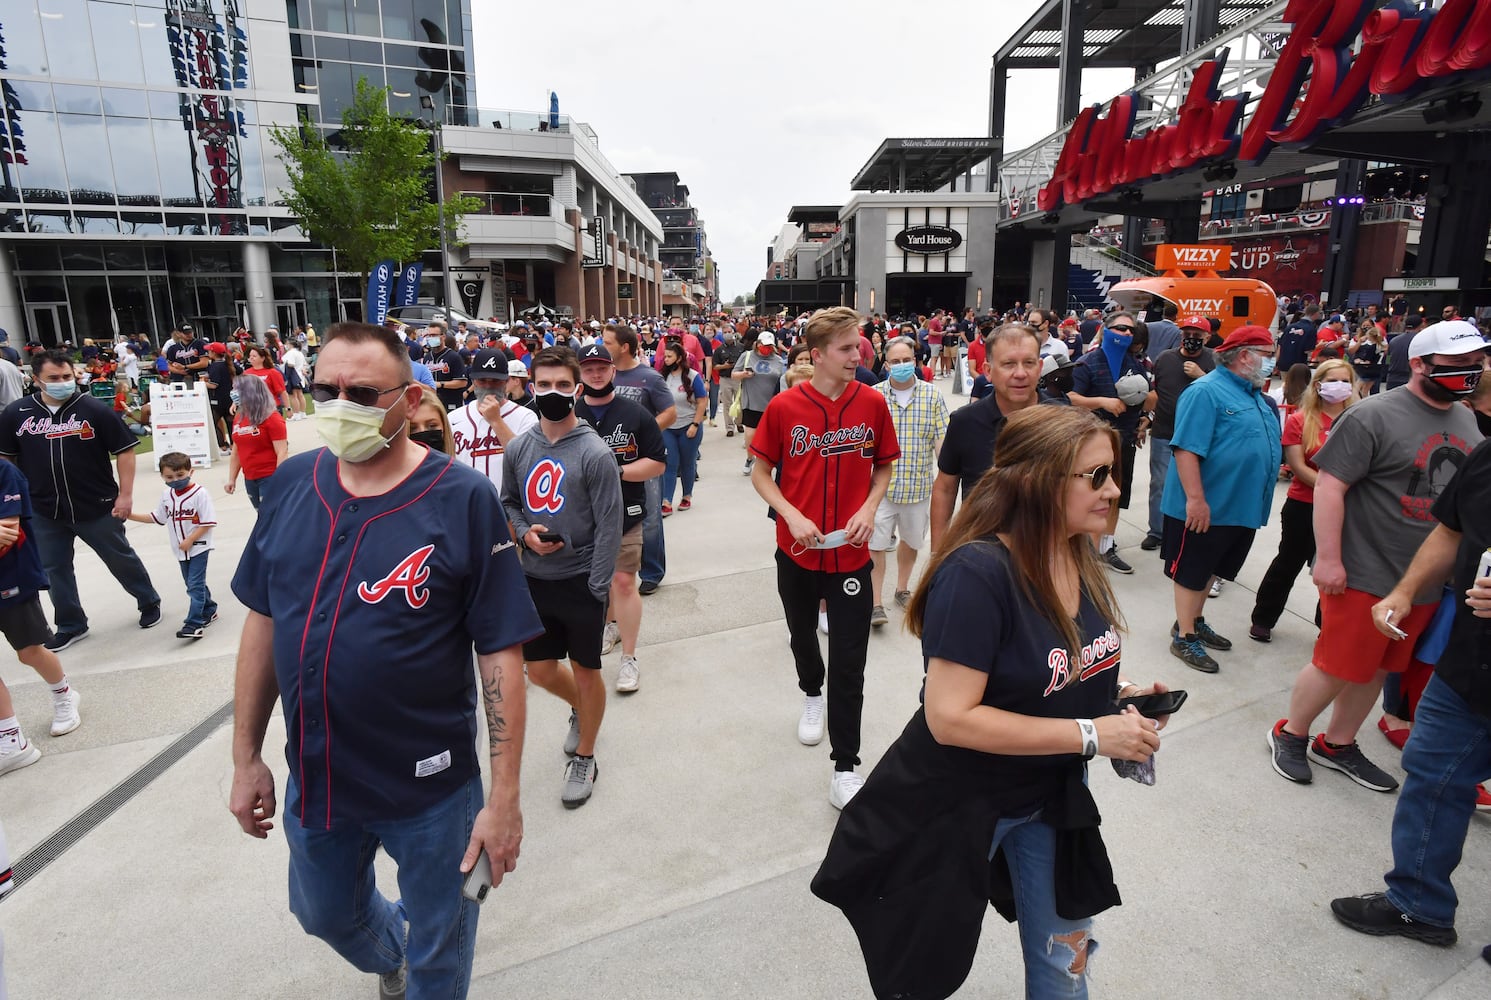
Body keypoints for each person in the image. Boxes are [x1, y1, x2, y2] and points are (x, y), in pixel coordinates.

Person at [228, 321, 541, 1000]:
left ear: (408, 397)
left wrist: (506, 796)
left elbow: (499, 650)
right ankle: (389, 951)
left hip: (430, 790)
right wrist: (245, 754)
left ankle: (417, 966)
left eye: (363, 392)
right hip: (318, 778)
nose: (342, 405)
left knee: (441, 948)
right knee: (324, 914)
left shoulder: (461, 500)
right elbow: (262, 619)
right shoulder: (290, 486)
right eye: (325, 390)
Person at [811, 405, 1168, 1000]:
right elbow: (949, 718)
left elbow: (1049, 672)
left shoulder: (1078, 553)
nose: (1114, 490)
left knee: (1067, 959)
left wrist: (1119, 697)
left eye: (1113, 472)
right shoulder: (978, 574)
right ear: (1039, 482)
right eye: (1096, 476)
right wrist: (1091, 735)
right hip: (960, 806)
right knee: (924, 969)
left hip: (1050, 799)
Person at [1270, 320, 1486, 791]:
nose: (1470, 371)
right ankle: (1291, 732)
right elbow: (1329, 486)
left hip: (1424, 579)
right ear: (1419, 364)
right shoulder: (1373, 415)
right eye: (1457, 363)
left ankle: (1338, 743)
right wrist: (1328, 558)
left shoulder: (1466, 419)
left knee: (1381, 666)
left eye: (1475, 362)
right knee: (1337, 664)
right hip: (1364, 571)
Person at [1329, 436, 1491, 951]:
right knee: (1430, 777)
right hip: (1468, 664)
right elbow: (1450, 530)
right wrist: (1402, 592)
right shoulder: (1488, 456)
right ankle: (1418, 905)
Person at [749, 307, 899, 809]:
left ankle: (846, 764)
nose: (858, 355)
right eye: (846, 349)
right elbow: (761, 473)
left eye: (858, 347)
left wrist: (870, 507)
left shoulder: (872, 403)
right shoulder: (786, 407)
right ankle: (812, 692)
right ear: (817, 355)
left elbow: (883, 467)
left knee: (852, 660)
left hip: (852, 554)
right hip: (797, 551)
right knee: (801, 636)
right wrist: (790, 514)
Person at [500, 346, 623, 807]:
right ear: (531, 386)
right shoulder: (519, 446)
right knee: (540, 671)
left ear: (577, 388)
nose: (553, 393)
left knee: (588, 672)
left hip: (581, 581)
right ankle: (581, 710)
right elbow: (509, 501)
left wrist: (596, 587)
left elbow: (610, 524)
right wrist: (522, 534)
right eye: (544, 384)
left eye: (562, 385)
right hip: (533, 578)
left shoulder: (594, 452)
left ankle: (587, 755)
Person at [0, 350, 161, 651]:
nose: (62, 383)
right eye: (53, 378)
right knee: (54, 568)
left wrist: (125, 495)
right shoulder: (16, 414)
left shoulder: (93, 409)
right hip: (44, 508)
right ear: (36, 380)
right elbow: (5, 458)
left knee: (119, 558)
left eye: (66, 377)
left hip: (95, 504)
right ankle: (71, 623)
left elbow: (125, 450)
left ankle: (148, 599)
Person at [1161, 325, 1281, 673]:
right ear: (1245, 356)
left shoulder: (1253, 393)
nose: (1273, 362)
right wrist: (1196, 500)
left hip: (1239, 506)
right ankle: (1184, 636)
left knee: (1214, 570)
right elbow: (1185, 449)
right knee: (1192, 570)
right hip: (1207, 505)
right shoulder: (1206, 391)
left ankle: (1194, 621)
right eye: (1268, 355)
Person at [574, 343, 667, 695]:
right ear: (579, 374)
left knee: (624, 582)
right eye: (588, 369)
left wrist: (616, 470)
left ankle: (629, 658)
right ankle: (608, 626)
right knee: (591, 589)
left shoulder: (635, 413)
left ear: (614, 370)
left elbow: (657, 463)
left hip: (625, 511)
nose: (596, 374)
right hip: (580, 517)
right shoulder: (569, 414)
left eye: (601, 368)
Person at [1249, 361, 1357, 642]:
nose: (1340, 386)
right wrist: (1331, 491)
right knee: (1289, 562)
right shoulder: (1301, 420)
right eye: (1333, 379)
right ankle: (1263, 618)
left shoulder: (1360, 418)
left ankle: (1328, 625)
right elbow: (1297, 465)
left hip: (1349, 508)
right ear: (1319, 384)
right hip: (1305, 506)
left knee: (1337, 570)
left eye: (1345, 380)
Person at [930, 323, 1049, 549]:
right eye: (1009, 364)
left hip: (1046, 550)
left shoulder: (1062, 420)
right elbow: (945, 488)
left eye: (1029, 363)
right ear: (987, 371)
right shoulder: (964, 422)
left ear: (1040, 366)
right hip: (980, 552)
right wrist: (938, 555)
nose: (1021, 373)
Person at [0, 459, 81, 776]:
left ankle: (64, 695)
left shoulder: (5, 473)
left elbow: (6, 533)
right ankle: (12, 739)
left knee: (29, 652)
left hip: (11, 579)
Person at [869, 336, 949, 626]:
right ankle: (875, 601)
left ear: (915, 362)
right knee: (875, 546)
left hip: (918, 488)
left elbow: (942, 441)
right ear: (886, 364)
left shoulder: (932, 396)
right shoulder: (873, 396)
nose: (902, 365)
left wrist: (948, 472)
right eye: (896, 361)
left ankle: (902, 588)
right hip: (880, 490)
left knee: (911, 542)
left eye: (907, 360)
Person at [1069, 312, 1153, 574]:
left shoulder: (1136, 365)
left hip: (1123, 440)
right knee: (1084, 493)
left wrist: (1146, 416)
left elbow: (1146, 399)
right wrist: (1101, 402)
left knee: (1115, 496)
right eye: (1121, 329)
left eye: (1131, 330)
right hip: (1090, 444)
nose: (1128, 334)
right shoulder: (1086, 363)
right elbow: (1070, 397)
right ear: (1106, 331)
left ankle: (1105, 547)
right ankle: (1078, 545)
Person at [602, 324, 675, 595]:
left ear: (624, 346)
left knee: (651, 516)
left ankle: (652, 571)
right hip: (608, 462)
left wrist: (645, 434)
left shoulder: (649, 377)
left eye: (608, 342)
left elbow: (669, 412)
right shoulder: (602, 375)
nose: (603, 345)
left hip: (644, 460)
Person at [1143, 315, 1216, 551]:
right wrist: (1147, 418)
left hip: (1200, 435)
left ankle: (1188, 529)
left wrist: (1202, 376)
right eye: (1187, 335)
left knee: (1195, 485)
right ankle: (1157, 531)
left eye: (1197, 335)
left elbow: (1224, 393)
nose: (1191, 339)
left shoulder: (1214, 361)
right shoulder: (1164, 358)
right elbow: (1156, 394)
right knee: (1160, 484)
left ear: (1207, 337)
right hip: (1165, 431)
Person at [128, 452, 218, 640]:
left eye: (180, 475)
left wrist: (191, 539)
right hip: (180, 550)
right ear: (162, 476)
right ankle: (209, 609)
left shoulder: (200, 494)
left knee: (194, 585)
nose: (175, 480)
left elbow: (208, 522)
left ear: (190, 472)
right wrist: (130, 516)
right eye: (169, 477)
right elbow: (157, 517)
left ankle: (194, 623)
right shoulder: (166, 495)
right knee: (192, 583)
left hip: (199, 547)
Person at [448, 348, 538, 491]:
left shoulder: (526, 417)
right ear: (474, 381)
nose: (489, 386)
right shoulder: (453, 418)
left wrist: (496, 421)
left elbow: (527, 464)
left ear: (506, 381)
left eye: (495, 380)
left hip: (509, 508)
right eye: (483, 380)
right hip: (466, 505)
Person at [224, 374, 288, 512]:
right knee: (261, 516)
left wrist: (279, 479)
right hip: (250, 478)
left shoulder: (272, 418)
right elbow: (236, 451)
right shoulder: (239, 418)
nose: (233, 392)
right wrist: (232, 479)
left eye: (237, 389)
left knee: (271, 516)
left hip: (269, 476)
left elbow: (282, 451)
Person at [659, 342, 706, 515]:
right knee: (670, 464)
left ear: (679, 358)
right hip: (668, 428)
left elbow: (702, 400)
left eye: (670, 356)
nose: (666, 359)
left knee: (687, 463)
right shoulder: (662, 377)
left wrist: (695, 424)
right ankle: (666, 501)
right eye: (665, 356)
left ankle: (687, 496)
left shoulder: (692, 376)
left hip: (689, 426)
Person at [733, 330, 787, 477]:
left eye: (770, 346)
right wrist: (744, 374)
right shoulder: (747, 356)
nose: (767, 348)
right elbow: (734, 374)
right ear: (758, 344)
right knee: (750, 434)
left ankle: (770, 462)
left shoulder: (778, 360)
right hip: (752, 402)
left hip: (772, 404)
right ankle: (750, 458)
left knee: (772, 437)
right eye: (764, 345)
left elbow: (784, 379)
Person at [202, 343, 238, 451]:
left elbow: (214, 384)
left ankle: (222, 445)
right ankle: (233, 445)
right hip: (230, 398)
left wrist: (202, 383)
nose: (208, 353)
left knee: (212, 423)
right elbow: (240, 373)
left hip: (218, 400)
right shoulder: (229, 363)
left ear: (213, 353)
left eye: (209, 351)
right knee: (231, 423)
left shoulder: (215, 366)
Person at [423, 327, 469, 411]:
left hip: (451, 402)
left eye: (434, 335)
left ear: (443, 337)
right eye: (429, 335)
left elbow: (462, 382)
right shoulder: (427, 357)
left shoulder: (454, 356)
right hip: (432, 402)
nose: (431, 338)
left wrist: (440, 384)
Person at [713, 329, 745, 437]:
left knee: (740, 402)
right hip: (725, 378)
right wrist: (725, 366)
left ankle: (739, 422)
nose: (728, 334)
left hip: (738, 378)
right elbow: (715, 366)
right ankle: (729, 427)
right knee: (727, 404)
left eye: (729, 331)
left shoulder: (741, 347)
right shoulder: (719, 350)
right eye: (725, 332)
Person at [406, 384, 454, 453]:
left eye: (432, 426)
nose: (422, 431)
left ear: (444, 425)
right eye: (412, 428)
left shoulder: (457, 463)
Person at [1383, 313, 1425, 390]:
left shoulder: (1393, 341)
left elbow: (1388, 359)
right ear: (1421, 325)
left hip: (1392, 379)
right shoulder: (1421, 341)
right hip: (1411, 379)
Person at [243, 345, 289, 413]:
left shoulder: (272, 372)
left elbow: (282, 392)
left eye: (254, 356)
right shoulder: (246, 373)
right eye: (250, 356)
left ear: (262, 358)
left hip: (272, 408)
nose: (251, 358)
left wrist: (288, 408)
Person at [1279, 303, 1321, 372]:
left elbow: (1280, 345)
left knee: (1285, 382)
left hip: (1284, 363)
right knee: (1297, 382)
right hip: (1298, 366)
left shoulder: (1290, 327)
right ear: (1316, 313)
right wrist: (1319, 346)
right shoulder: (1311, 329)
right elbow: (1308, 350)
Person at [1349, 320, 1386, 394]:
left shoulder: (1373, 345)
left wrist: (1361, 361)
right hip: (1374, 368)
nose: (1366, 328)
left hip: (1367, 368)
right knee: (1364, 390)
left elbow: (1368, 358)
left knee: (1357, 388)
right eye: (1364, 325)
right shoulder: (1379, 344)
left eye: (1368, 326)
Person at [281, 339, 310, 420]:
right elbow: (304, 364)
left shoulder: (291, 353)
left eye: (286, 343)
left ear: (290, 344)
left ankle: (296, 414)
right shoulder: (299, 353)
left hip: (293, 375)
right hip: (300, 376)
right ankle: (303, 413)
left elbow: (291, 364)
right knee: (300, 394)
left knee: (293, 395)